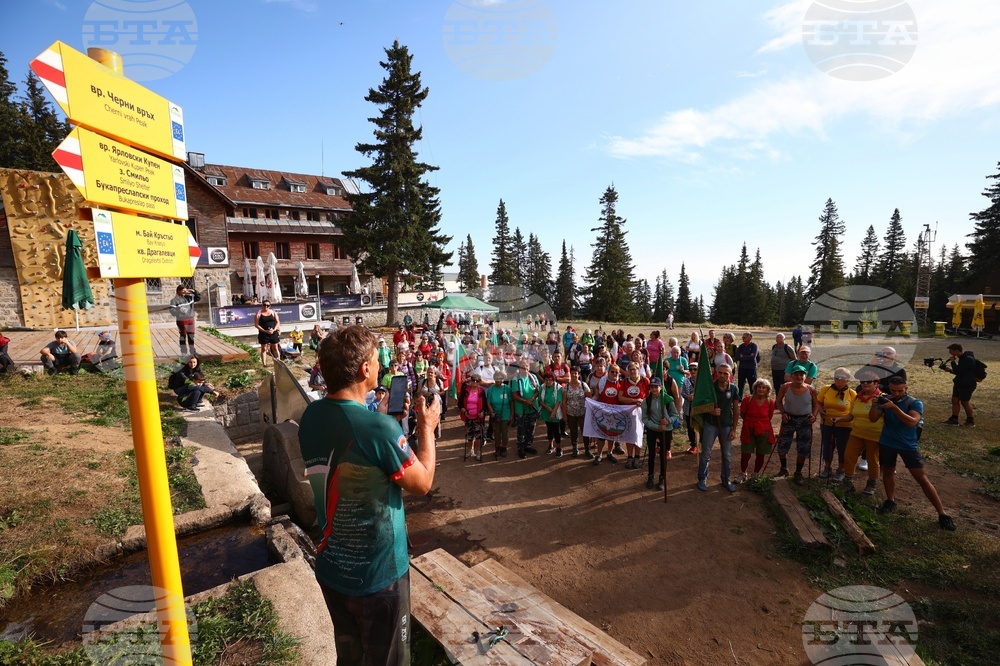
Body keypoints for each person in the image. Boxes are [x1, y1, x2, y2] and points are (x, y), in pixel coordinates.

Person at [298, 325, 440, 664]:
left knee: (350, 658)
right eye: (377, 360)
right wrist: (425, 428)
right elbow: (422, 484)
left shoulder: (312, 415)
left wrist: (382, 422)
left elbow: (350, 443)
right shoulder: (379, 430)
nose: (380, 366)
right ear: (364, 369)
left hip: (333, 567)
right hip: (378, 579)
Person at [869, 377, 956, 531]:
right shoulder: (886, 400)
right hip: (887, 442)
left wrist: (894, 408)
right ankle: (890, 500)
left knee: (921, 478)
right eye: (893, 390)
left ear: (906, 388)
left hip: (908, 445)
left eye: (900, 390)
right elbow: (873, 419)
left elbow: (912, 422)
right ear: (889, 388)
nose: (896, 393)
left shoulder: (914, 403)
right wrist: (874, 406)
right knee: (888, 471)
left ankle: (942, 514)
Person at [838, 369, 883, 495]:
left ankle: (872, 484)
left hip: (874, 435)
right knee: (849, 456)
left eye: (869, 381)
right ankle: (847, 483)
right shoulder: (858, 397)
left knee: (872, 460)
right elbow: (851, 415)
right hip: (856, 433)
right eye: (862, 381)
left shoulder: (881, 399)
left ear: (876, 383)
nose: (865, 384)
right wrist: (838, 419)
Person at [697, 364, 740, 493]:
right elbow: (701, 405)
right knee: (706, 454)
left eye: (725, 373)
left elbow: (736, 409)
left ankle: (726, 479)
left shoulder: (733, 389)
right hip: (711, 425)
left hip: (726, 425)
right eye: (720, 373)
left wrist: (734, 429)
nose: (722, 375)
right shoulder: (710, 388)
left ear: (730, 374)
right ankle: (702, 479)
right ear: (716, 373)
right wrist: (711, 411)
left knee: (726, 455)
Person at [775, 364, 819, 484]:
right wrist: (783, 412)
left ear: (805, 376)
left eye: (801, 375)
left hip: (805, 420)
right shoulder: (785, 387)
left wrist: (814, 416)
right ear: (792, 376)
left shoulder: (811, 389)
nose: (799, 377)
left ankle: (798, 472)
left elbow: (816, 404)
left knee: (803, 447)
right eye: (796, 374)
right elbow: (778, 401)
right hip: (788, 419)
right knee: (782, 445)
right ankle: (784, 468)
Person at [816, 368, 855, 481]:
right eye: (836, 377)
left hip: (845, 425)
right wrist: (820, 410)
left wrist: (840, 419)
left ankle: (841, 470)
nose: (838, 380)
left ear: (847, 380)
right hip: (827, 423)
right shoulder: (826, 389)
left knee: (843, 448)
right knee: (827, 446)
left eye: (842, 378)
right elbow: (818, 403)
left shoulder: (852, 394)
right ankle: (827, 468)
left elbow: (853, 411)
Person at [642, 376, 679, 491]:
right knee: (652, 454)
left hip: (665, 431)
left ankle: (662, 477)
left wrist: (668, 421)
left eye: (656, 387)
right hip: (653, 430)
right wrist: (656, 426)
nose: (654, 389)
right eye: (652, 387)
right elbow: (645, 418)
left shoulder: (668, 400)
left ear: (661, 387)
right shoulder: (646, 400)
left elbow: (675, 414)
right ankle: (650, 476)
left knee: (663, 454)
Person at [738, 378, 775, 481]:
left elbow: (770, 416)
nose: (761, 389)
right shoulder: (747, 399)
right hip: (748, 428)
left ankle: (755, 474)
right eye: (759, 387)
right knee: (745, 453)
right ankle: (743, 473)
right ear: (755, 388)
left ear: (768, 390)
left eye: (764, 387)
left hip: (764, 430)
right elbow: (742, 414)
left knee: (760, 453)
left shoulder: (770, 402)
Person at [618, 361, 650, 468]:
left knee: (638, 433)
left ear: (638, 369)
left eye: (634, 369)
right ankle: (629, 457)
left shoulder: (644, 380)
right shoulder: (625, 382)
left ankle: (637, 457)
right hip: (628, 411)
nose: (632, 371)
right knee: (629, 434)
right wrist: (634, 399)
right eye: (630, 369)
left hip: (641, 412)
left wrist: (643, 401)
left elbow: (650, 395)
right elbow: (620, 397)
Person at [592, 364, 624, 465]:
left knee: (612, 434)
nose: (614, 374)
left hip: (615, 414)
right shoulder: (602, 382)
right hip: (603, 413)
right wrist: (589, 403)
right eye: (612, 371)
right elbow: (597, 395)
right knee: (601, 435)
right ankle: (599, 454)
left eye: (616, 372)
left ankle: (609, 453)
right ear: (608, 372)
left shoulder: (621, 384)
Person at [941, 343, 978, 427]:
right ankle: (954, 419)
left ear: (957, 351)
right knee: (955, 400)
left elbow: (958, 371)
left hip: (967, 384)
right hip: (959, 382)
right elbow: (961, 372)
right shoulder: (962, 358)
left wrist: (953, 362)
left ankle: (970, 420)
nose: (950, 353)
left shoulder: (968, 359)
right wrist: (949, 370)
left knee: (964, 402)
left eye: (951, 351)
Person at [512, 361, 541, 459]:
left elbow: (538, 390)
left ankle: (528, 445)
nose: (525, 369)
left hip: (533, 406)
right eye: (523, 367)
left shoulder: (533, 377)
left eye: (527, 367)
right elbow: (515, 395)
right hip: (521, 408)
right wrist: (525, 401)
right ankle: (521, 448)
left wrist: (532, 399)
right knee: (522, 429)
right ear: (519, 368)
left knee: (531, 428)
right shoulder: (516, 379)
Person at [562, 366, 592, 458]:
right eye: (572, 373)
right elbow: (564, 401)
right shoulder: (566, 387)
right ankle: (575, 447)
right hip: (571, 413)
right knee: (573, 431)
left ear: (579, 375)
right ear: (570, 374)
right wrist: (564, 415)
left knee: (585, 431)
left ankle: (587, 448)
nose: (574, 375)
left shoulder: (584, 385)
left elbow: (589, 399)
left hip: (583, 413)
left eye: (576, 373)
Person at [458, 373, 487, 461]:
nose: (474, 382)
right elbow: (460, 403)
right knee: (469, 435)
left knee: (478, 436)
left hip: (478, 417)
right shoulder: (466, 390)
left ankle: (478, 451)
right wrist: (463, 410)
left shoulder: (481, 392)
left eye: (476, 381)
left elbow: (485, 405)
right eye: (473, 380)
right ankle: (470, 450)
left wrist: (482, 412)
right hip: (468, 416)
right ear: (470, 381)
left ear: (479, 382)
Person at [486, 369, 514, 458]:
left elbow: (511, 402)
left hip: (506, 414)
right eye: (497, 378)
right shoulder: (491, 389)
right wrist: (492, 412)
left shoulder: (507, 389)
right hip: (495, 415)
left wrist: (512, 414)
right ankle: (497, 448)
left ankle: (504, 447)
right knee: (496, 433)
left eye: (500, 378)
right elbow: (488, 402)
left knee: (505, 433)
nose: (498, 380)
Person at [169, 285, 200, 357]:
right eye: (183, 290)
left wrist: (194, 291)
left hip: (191, 319)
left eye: (185, 290)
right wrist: (179, 311)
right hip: (182, 320)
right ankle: (184, 353)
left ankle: (193, 352)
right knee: (183, 336)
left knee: (191, 336)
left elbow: (198, 297)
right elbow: (172, 312)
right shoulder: (174, 300)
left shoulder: (190, 298)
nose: (184, 292)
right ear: (178, 291)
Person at [539, 372, 564, 457]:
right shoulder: (542, 387)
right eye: (546, 380)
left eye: (550, 380)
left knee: (556, 431)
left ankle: (559, 448)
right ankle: (550, 446)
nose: (548, 382)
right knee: (549, 429)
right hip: (546, 412)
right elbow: (540, 400)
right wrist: (546, 407)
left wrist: (553, 412)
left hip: (556, 412)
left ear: (553, 380)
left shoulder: (558, 388)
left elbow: (558, 401)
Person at [254, 300, 281, 365]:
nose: (266, 306)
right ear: (262, 305)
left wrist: (274, 329)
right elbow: (256, 324)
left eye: (268, 305)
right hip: (263, 333)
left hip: (273, 332)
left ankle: (279, 362)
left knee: (275, 347)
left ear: (270, 306)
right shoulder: (258, 313)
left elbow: (277, 322)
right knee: (264, 348)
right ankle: (264, 363)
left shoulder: (273, 312)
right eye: (264, 305)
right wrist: (265, 331)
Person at [734, 332, 760, 399]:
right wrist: (747, 356)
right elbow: (737, 357)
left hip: (751, 368)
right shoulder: (741, 346)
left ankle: (754, 398)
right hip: (742, 368)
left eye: (744, 337)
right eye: (742, 337)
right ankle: (739, 399)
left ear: (750, 338)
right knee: (740, 384)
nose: (743, 338)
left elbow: (753, 357)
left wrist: (743, 357)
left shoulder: (754, 346)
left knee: (752, 384)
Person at [681, 362, 699, 455]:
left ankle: (701, 443)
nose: (692, 371)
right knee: (690, 427)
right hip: (689, 407)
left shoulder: (702, 381)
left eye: (695, 369)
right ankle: (693, 445)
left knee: (700, 426)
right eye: (691, 369)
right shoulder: (686, 381)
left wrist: (695, 396)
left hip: (700, 409)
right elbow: (682, 393)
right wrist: (687, 397)